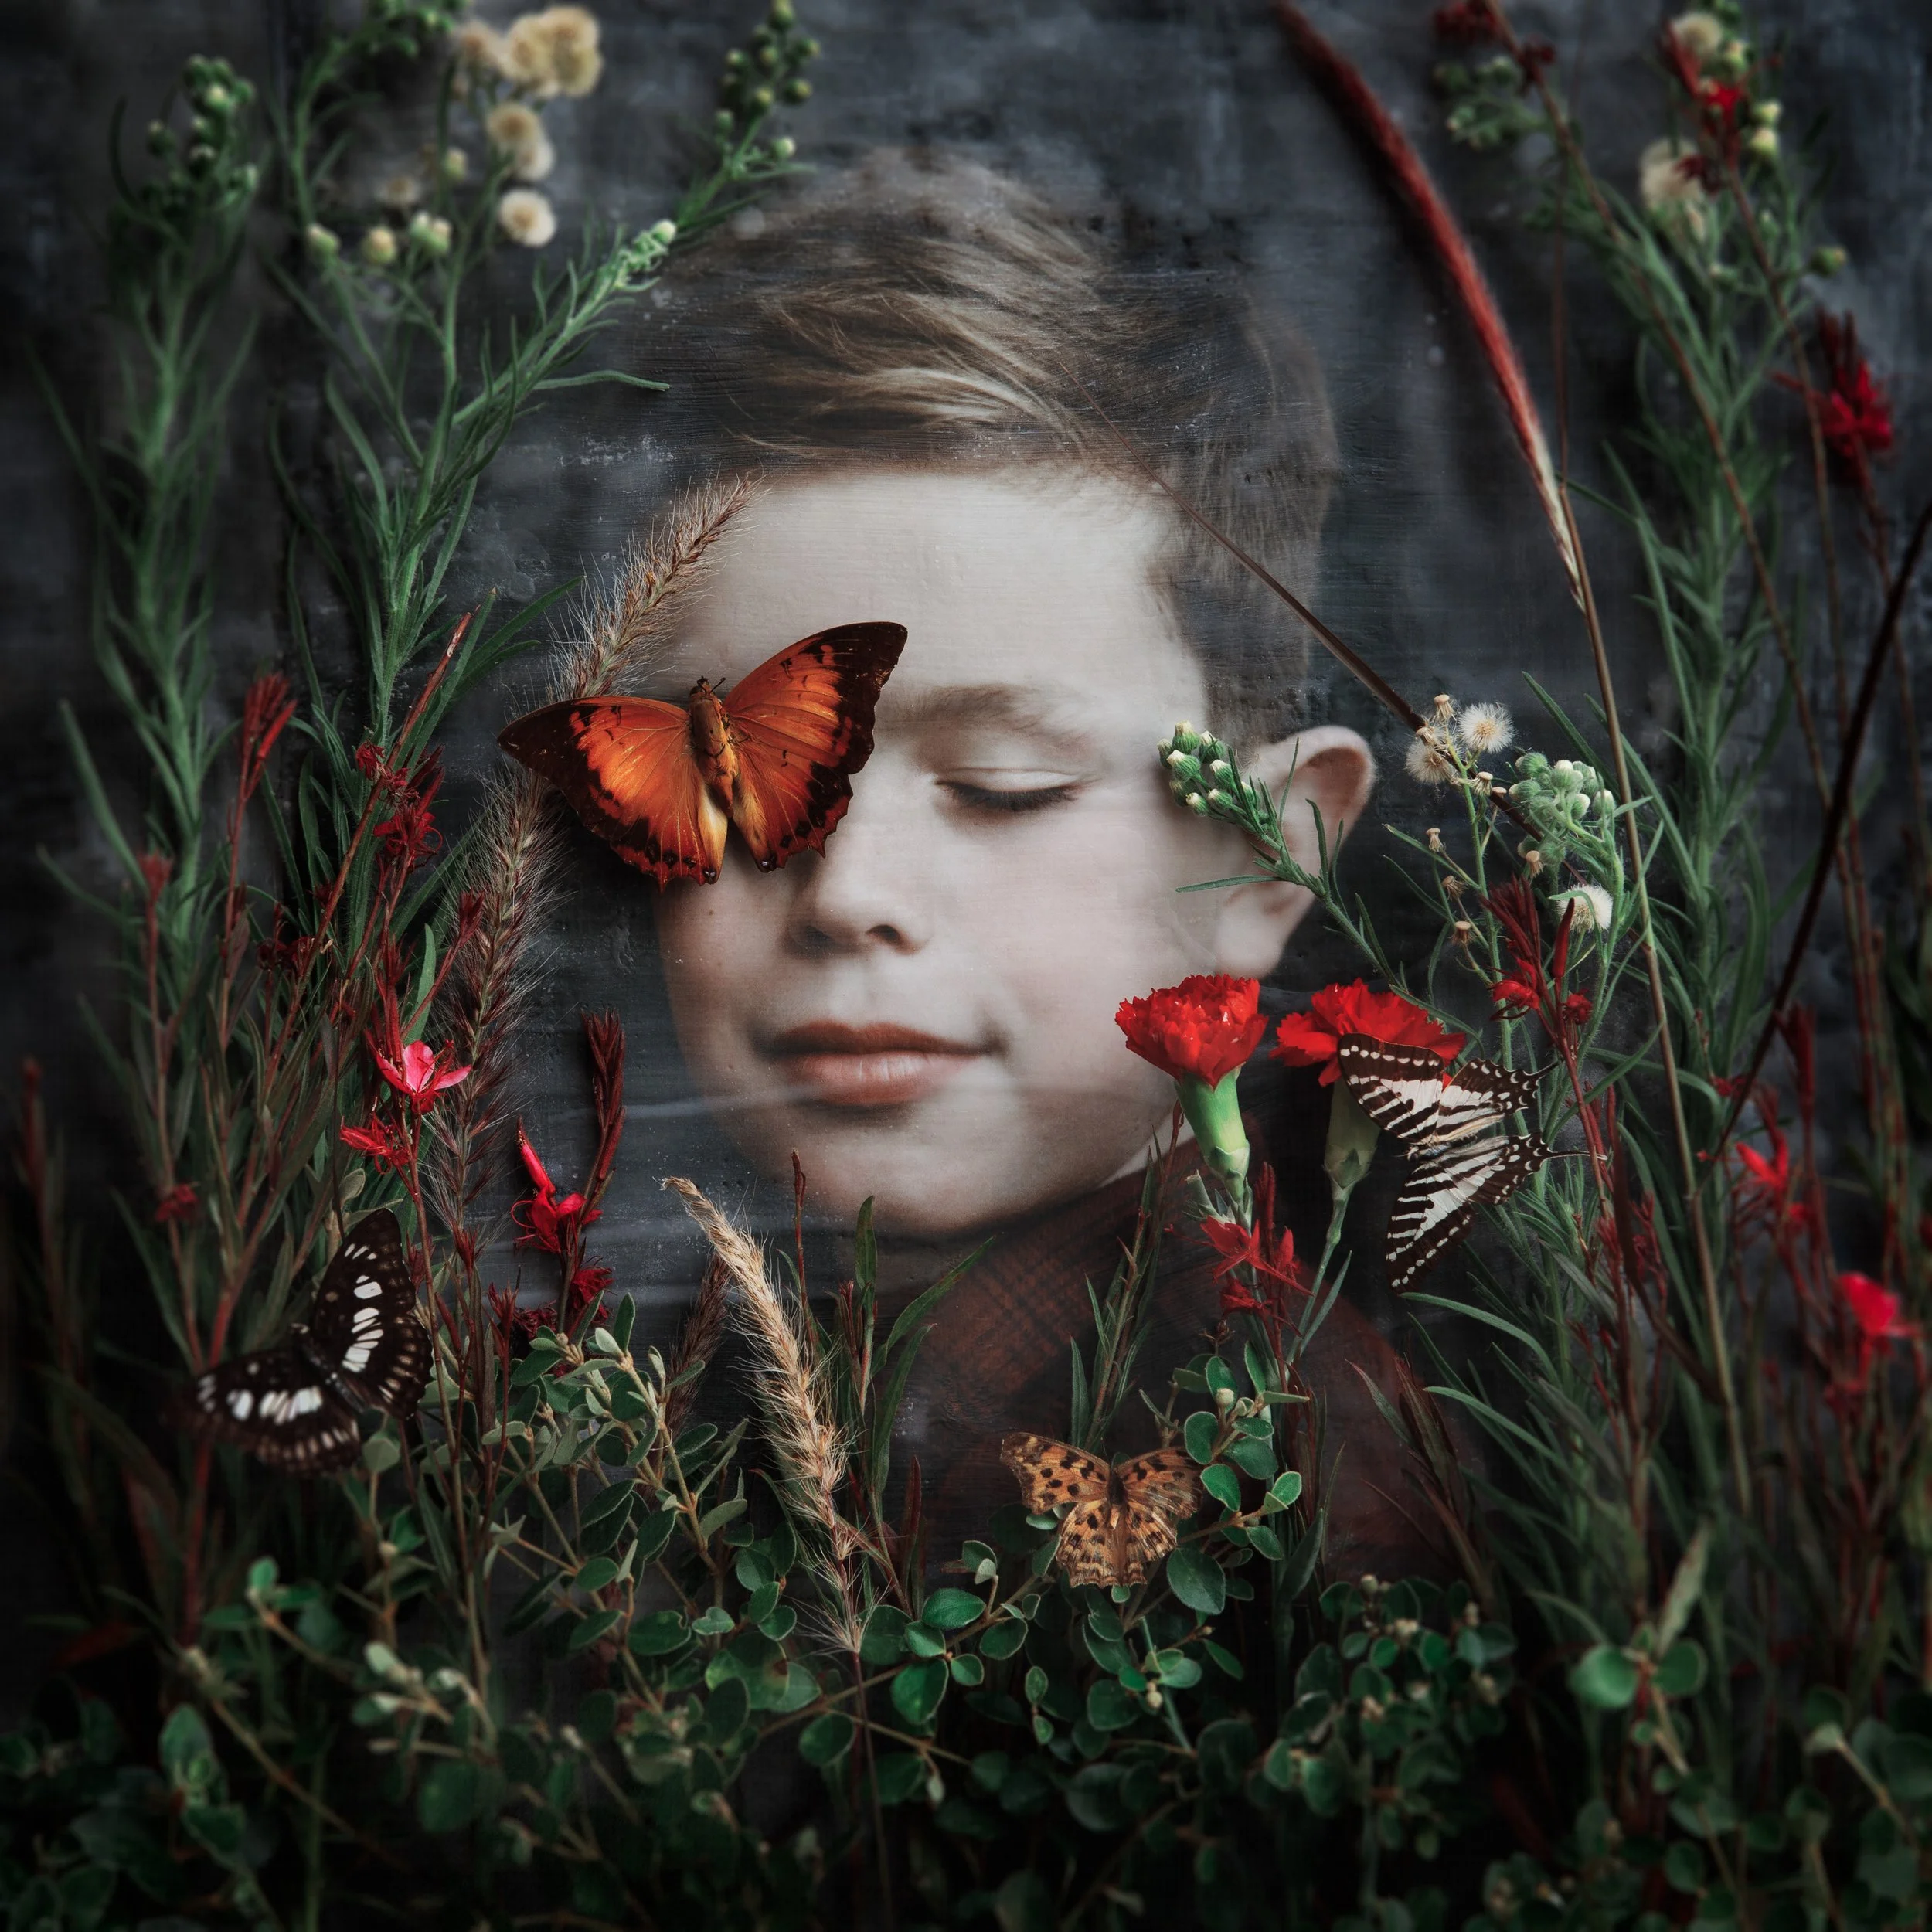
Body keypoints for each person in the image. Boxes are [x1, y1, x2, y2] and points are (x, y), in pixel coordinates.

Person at [615, 149, 1454, 1578]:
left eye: (1004, 791)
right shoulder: (639, 1391)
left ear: (1267, 856)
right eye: (739, 779)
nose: (847, 895)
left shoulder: (1300, 1485)